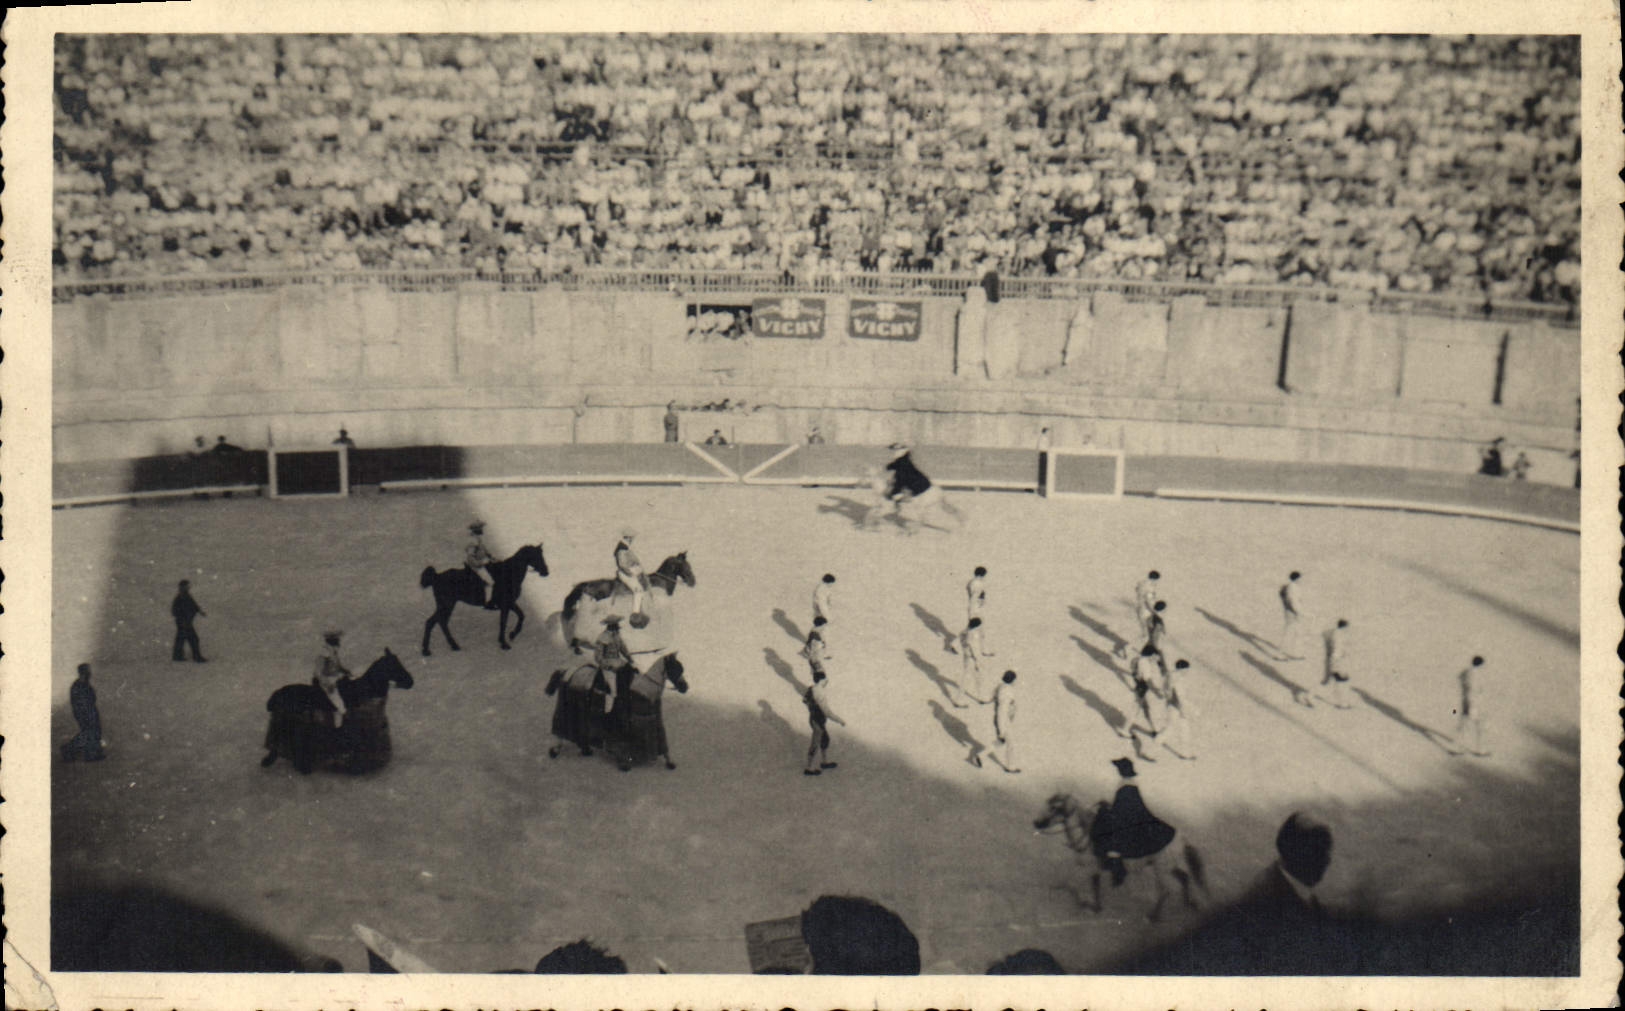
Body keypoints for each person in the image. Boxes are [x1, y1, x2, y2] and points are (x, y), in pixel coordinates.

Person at [884, 443, 963, 532]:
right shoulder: (904, 464)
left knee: (918, 512)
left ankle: (912, 530)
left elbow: (899, 480)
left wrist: (894, 495)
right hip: (931, 490)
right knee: (943, 507)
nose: (893, 454)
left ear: (900, 452)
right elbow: (897, 471)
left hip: (924, 494)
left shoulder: (902, 466)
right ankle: (961, 519)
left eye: (895, 451)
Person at [802, 665, 847, 776]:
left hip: (815, 718)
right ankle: (809, 768)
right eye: (825, 679)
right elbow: (827, 712)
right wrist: (840, 720)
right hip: (818, 720)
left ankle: (824, 762)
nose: (827, 681)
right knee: (815, 743)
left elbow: (804, 700)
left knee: (825, 739)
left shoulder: (811, 689)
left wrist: (811, 708)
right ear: (822, 680)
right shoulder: (820, 693)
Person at [1128, 644, 1168, 759]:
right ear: (1151, 654)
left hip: (1140, 687)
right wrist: (1156, 691)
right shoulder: (1144, 663)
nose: (1156, 659)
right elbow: (1148, 680)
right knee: (1137, 709)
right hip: (1142, 687)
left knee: (1144, 709)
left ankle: (1153, 729)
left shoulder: (1141, 660)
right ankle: (1125, 729)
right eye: (1155, 656)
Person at [61, 663, 106, 762]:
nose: (90, 673)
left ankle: (90, 752)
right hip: (85, 713)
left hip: (88, 711)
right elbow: (82, 702)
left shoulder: (82, 684)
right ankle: (76, 751)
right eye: (88, 671)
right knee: (89, 732)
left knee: (91, 731)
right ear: (84, 672)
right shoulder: (79, 685)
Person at [1159, 659, 1196, 760]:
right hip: (1175, 707)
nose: (1187, 672)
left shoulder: (1171, 675)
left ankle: (1185, 753)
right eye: (1186, 669)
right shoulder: (1177, 679)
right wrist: (1183, 709)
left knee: (1185, 729)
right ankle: (1149, 750)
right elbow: (1178, 696)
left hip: (1173, 705)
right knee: (1169, 729)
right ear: (1182, 669)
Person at [1453, 655, 1489, 756]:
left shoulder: (1466, 672)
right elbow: (1472, 691)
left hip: (1465, 702)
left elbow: (1460, 679)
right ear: (1480, 664)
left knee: (1463, 726)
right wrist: (1472, 707)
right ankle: (1480, 750)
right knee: (1480, 727)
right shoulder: (1475, 675)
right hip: (1474, 704)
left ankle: (1457, 748)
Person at [614, 528, 649, 623]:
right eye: (631, 538)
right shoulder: (622, 549)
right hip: (625, 574)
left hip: (630, 572)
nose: (632, 540)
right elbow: (622, 565)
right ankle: (635, 614)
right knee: (638, 590)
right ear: (628, 538)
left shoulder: (626, 548)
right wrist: (634, 572)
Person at [170, 579, 207, 663]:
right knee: (193, 639)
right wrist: (183, 619)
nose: (188, 587)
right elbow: (174, 611)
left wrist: (200, 611)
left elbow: (194, 605)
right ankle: (196, 657)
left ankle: (177, 656)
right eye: (186, 586)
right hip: (184, 622)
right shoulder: (180, 598)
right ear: (182, 587)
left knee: (181, 638)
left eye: (188, 586)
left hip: (185, 622)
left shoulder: (186, 596)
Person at [1319, 619, 1352, 709]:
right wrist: (1337, 666)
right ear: (1344, 627)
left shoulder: (1333, 633)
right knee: (1341, 682)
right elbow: (1336, 652)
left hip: (1330, 661)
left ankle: (1308, 696)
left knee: (1326, 682)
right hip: (1336, 663)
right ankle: (1343, 703)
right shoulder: (1339, 636)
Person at [991, 670, 1020, 773]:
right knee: (1011, 743)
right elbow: (1002, 711)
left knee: (1001, 742)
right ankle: (1010, 766)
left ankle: (980, 755)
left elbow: (991, 698)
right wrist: (1001, 729)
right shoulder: (1007, 692)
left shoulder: (1000, 687)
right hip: (1004, 721)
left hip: (1002, 719)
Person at [465, 521, 497, 608]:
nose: (482, 530)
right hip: (476, 567)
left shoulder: (478, 539)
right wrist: (481, 563)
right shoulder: (473, 541)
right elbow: (470, 558)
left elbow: (485, 551)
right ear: (476, 530)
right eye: (480, 528)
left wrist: (492, 557)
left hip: (483, 564)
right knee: (490, 582)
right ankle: (488, 603)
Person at [957, 616, 989, 704]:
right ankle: (959, 700)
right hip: (972, 658)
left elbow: (961, 638)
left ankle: (981, 696)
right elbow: (974, 648)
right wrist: (978, 660)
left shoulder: (966, 631)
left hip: (966, 656)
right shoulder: (974, 634)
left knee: (976, 677)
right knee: (968, 678)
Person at [1278, 571, 1303, 660]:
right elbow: (1292, 601)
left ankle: (1296, 653)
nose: (1301, 580)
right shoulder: (1292, 588)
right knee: (1289, 634)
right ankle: (1280, 654)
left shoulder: (1293, 587)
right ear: (1297, 578)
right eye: (1300, 578)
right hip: (1292, 613)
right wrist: (1298, 612)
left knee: (1297, 633)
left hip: (1293, 613)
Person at [1134, 570, 1162, 642]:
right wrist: (1153, 611)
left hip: (1139, 607)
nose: (1156, 583)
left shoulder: (1141, 583)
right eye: (1156, 581)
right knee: (1148, 632)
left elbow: (1136, 589)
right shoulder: (1149, 587)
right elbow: (1148, 601)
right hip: (1146, 610)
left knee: (1144, 630)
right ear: (1154, 579)